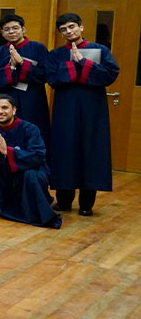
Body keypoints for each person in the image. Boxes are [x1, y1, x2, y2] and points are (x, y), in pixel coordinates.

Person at [45, 12, 119, 216]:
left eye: (72, 27)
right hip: (65, 108)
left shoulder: (100, 50)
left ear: (81, 27)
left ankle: (87, 203)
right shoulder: (56, 54)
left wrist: (84, 63)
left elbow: (110, 74)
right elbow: (51, 78)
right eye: (64, 30)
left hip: (93, 108)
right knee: (64, 150)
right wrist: (72, 65)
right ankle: (64, 200)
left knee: (91, 149)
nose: (68, 32)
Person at [0, 94, 62, 228]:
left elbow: (38, 155)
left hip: (24, 171)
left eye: (5, 107)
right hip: (1, 172)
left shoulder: (30, 129)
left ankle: (32, 210)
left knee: (32, 175)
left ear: (14, 110)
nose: (0, 111)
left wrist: (8, 152)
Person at [0, 14, 50, 146]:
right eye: (7, 29)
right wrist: (11, 68)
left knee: (34, 134)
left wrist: (22, 63)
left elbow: (45, 74)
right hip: (7, 98)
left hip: (33, 99)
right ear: (2, 33)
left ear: (23, 29)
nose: (11, 32)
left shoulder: (38, 48)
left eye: (15, 28)